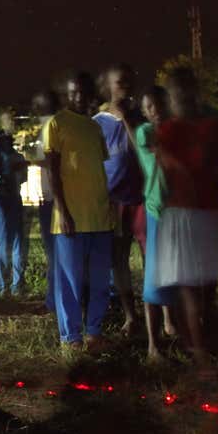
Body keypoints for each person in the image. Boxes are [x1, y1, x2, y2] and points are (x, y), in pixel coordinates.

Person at [150, 69, 218, 368]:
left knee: (201, 282)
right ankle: (198, 345)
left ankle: (199, 341)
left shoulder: (200, 127)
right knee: (192, 283)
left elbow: (208, 163)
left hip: (199, 209)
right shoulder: (174, 130)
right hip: (192, 209)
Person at [43, 72, 117, 350]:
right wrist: (62, 210)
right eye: (75, 92)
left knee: (100, 279)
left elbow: (99, 169)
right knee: (70, 280)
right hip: (70, 216)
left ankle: (94, 331)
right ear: (67, 94)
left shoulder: (94, 127)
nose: (80, 97)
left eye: (84, 92)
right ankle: (71, 336)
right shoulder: (57, 123)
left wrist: (108, 204)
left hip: (99, 215)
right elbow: (52, 170)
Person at [95, 64, 146, 332]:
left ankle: (157, 316)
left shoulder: (143, 116)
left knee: (151, 258)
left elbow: (144, 151)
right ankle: (130, 315)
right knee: (119, 259)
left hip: (142, 198)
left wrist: (128, 117)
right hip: (114, 201)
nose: (124, 86)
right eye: (118, 82)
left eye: (128, 81)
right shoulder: (97, 123)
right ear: (107, 86)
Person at [132, 86, 179, 361]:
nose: (155, 111)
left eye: (159, 105)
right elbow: (161, 154)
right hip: (156, 210)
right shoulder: (145, 132)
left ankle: (171, 325)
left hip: (179, 211)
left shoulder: (176, 130)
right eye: (149, 107)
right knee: (153, 277)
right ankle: (152, 344)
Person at [0, 112, 27, 294]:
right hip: (1, 197)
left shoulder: (13, 147)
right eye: (10, 120)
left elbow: (22, 175)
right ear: (2, 123)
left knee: (19, 240)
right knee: (4, 241)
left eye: (14, 121)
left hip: (14, 196)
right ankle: (4, 286)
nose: (13, 124)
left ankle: (18, 284)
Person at [29, 89, 60, 306]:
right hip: (52, 197)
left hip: (53, 199)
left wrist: (26, 162)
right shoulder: (54, 125)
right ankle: (54, 298)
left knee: (54, 252)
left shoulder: (49, 127)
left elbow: (50, 161)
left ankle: (54, 299)